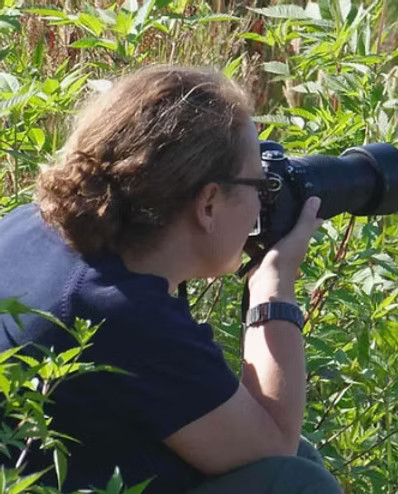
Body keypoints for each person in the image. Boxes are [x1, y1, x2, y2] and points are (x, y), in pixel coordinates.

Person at [0, 65, 342, 494]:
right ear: (209, 204)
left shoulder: (33, 225)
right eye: (259, 184)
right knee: (296, 482)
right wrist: (272, 285)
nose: (263, 204)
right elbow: (274, 449)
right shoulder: (121, 309)